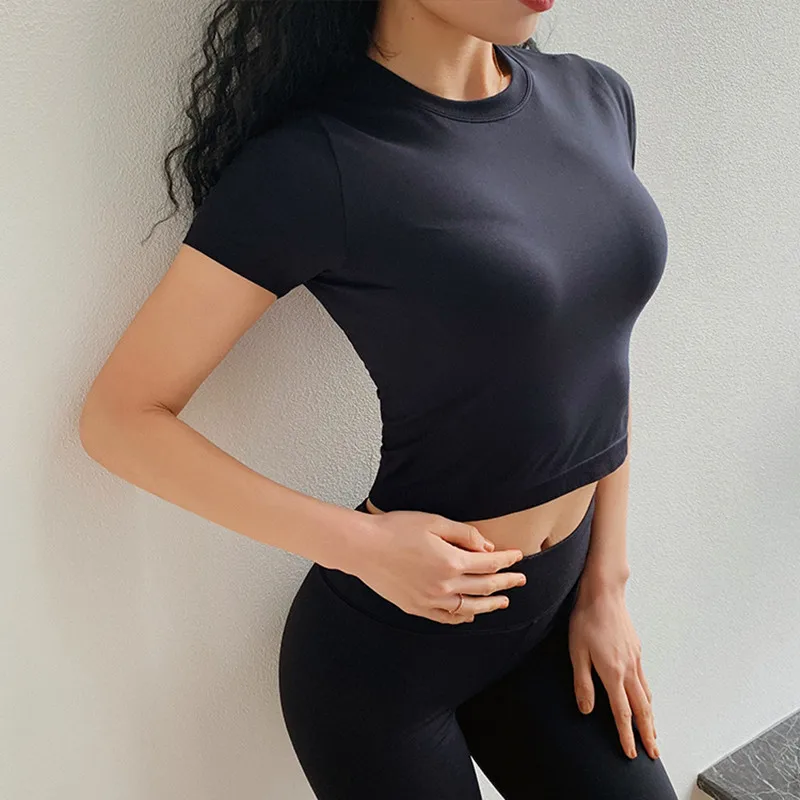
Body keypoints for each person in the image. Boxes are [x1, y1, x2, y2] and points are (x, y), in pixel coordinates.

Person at [79, 0, 678, 797]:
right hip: (387, 667)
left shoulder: (596, 99)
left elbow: (600, 356)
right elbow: (119, 417)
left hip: (557, 617)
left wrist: (606, 587)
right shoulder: (317, 163)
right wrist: (361, 546)